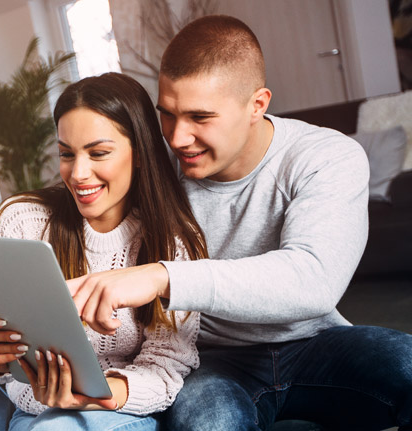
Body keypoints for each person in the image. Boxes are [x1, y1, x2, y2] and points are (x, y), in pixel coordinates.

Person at [67, 15, 412, 430]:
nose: (177, 138)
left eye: (200, 117)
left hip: (317, 343)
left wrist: (163, 277)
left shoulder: (325, 157)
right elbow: (82, 193)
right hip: (211, 361)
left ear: (257, 105)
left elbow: (314, 280)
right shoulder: (157, 170)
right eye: (168, 114)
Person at [0, 72, 209, 431]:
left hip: (123, 409)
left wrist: (97, 395)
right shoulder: (21, 221)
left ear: (139, 154)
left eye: (98, 153)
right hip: (37, 411)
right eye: (67, 154)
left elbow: (168, 365)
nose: (78, 174)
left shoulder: (173, 240)